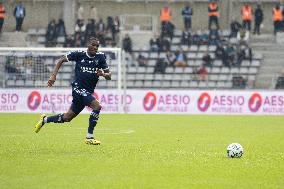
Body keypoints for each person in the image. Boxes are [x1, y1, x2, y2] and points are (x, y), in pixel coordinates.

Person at [34, 37, 111, 145]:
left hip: (87, 92)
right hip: (78, 89)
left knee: (67, 117)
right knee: (97, 106)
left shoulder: (101, 57)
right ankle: (89, 137)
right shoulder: (79, 54)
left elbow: (109, 76)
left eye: (97, 46)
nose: (95, 48)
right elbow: (61, 60)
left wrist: (103, 74)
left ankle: (45, 120)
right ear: (88, 45)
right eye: (93, 45)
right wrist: (53, 76)